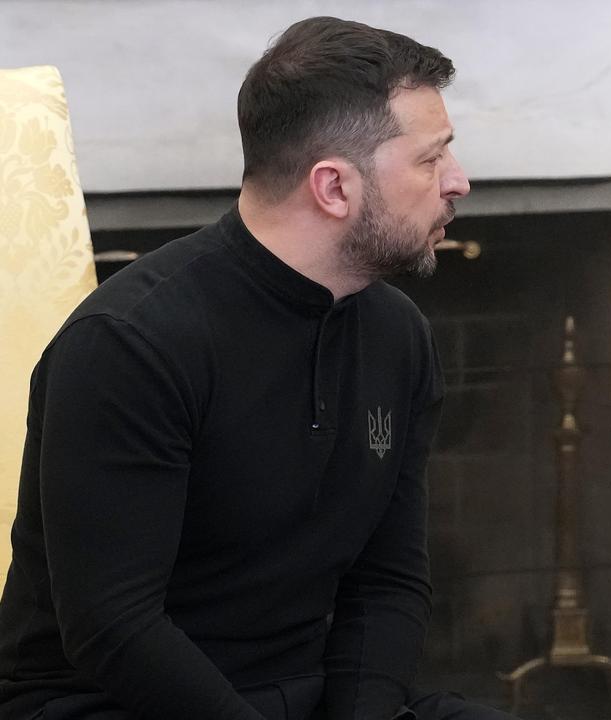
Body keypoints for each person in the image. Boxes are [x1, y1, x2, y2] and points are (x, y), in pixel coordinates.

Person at [0, 16, 515, 720]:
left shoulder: (399, 336)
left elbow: (388, 578)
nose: (458, 181)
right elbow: (113, 627)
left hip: (301, 696)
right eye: (431, 160)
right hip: (109, 703)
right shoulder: (128, 345)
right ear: (333, 187)